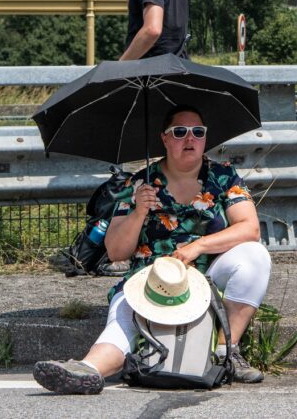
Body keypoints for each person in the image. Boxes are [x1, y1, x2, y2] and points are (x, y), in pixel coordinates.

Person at [33, 105, 272, 393]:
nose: (190, 139)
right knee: (122, 321)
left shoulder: (223, 177)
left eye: (198, 132)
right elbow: (116, 251)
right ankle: (86, 371)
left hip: (206, 276)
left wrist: (198, 246)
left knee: (255, 255)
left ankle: (226, 352)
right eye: (180, 132)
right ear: (165, 139)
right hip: (149, 279)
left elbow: (250, 228)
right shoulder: (140, 183)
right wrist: (138, 212)